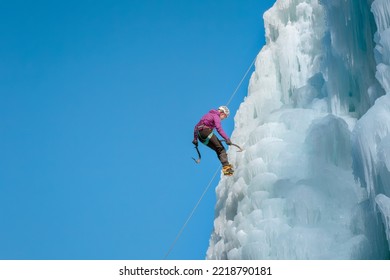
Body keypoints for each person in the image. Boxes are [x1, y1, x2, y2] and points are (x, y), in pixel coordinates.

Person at [193, 106, 234, 176]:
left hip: (201, 137)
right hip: (206, 132)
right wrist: (227, 138)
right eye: (225, 116)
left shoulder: (207, 115)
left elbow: (196, 127)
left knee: (218, 149)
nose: (224, 119)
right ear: (222, 113)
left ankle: (226, 168)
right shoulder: (216, 116)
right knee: (221, 149)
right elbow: (219, 128)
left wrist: (195, 139)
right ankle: (227, 169)